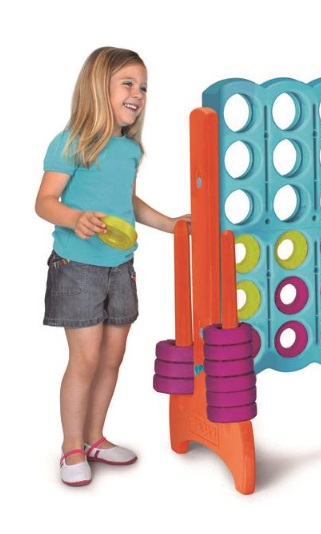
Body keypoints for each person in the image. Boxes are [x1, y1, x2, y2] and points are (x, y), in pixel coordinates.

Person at [35, 47, 190, 485]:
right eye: (127, 83)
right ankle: (71, 448)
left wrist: (172, 224)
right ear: (97, 87)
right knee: (84, 359)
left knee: (112, 358)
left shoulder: (129, 149)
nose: (138, 93)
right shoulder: (72, 142)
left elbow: (129, 203)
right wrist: (74, 218)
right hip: (78, 266)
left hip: (121, 266)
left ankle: (94, 438)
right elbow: (44, 202)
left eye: (143, 87)